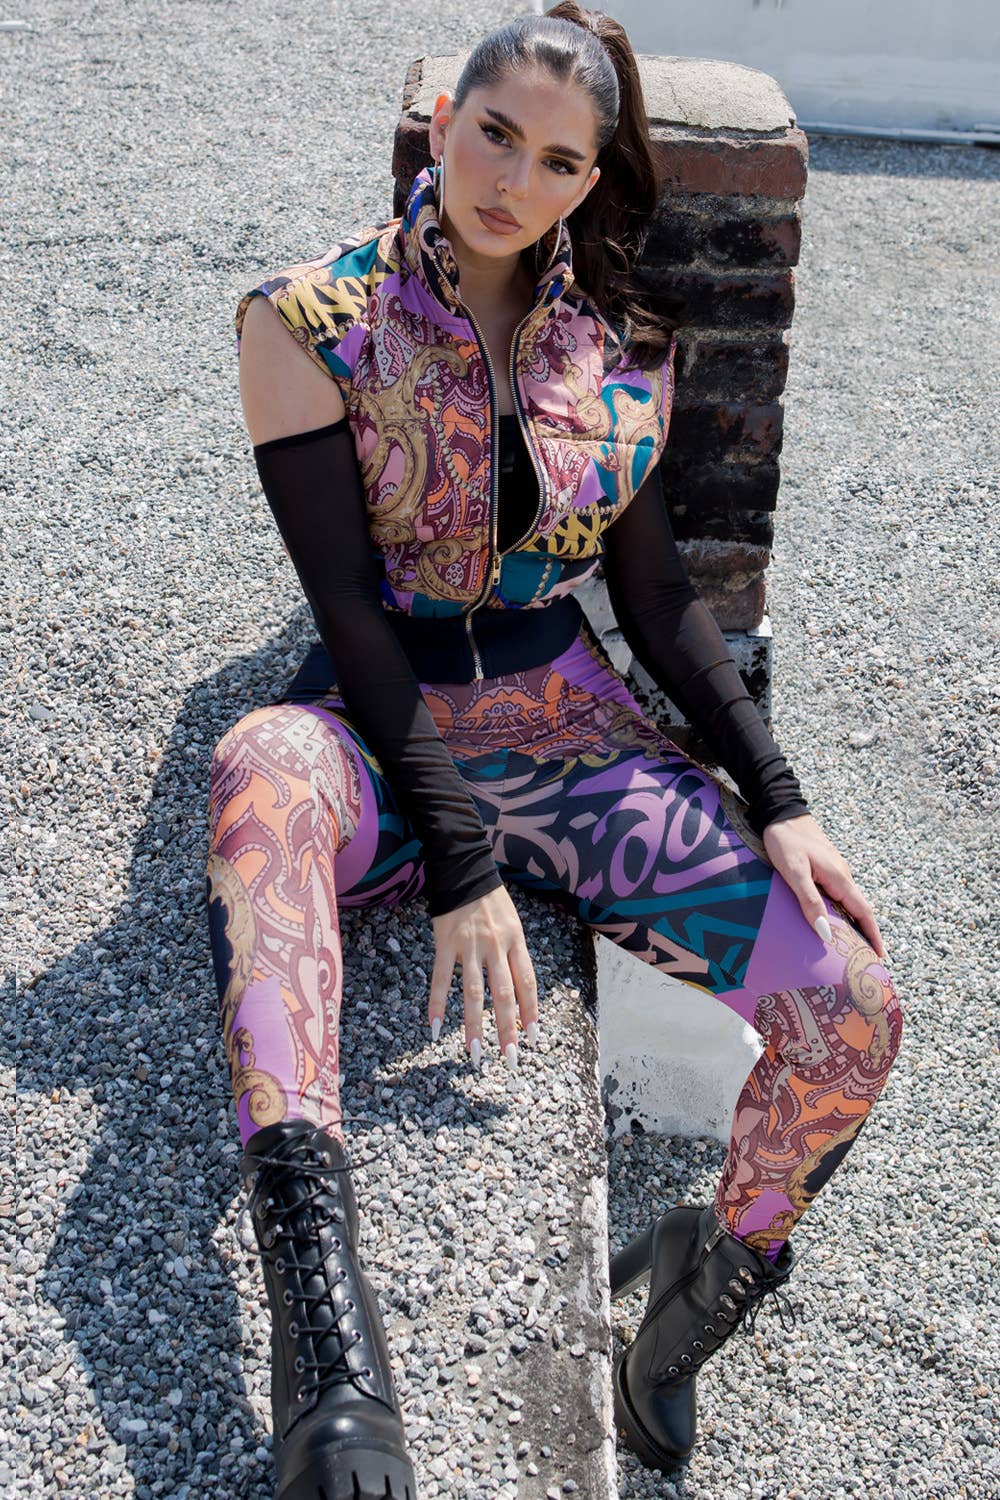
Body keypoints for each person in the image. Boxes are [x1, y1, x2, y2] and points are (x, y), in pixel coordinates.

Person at [205, 5, 904, 1494]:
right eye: (495, 134)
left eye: (558, 160)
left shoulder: (620, 347)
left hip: (579, 748)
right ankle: (326, 1347)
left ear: (592, 180)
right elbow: (347, 607)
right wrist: (462, 862)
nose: (514, 180)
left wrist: (780, 797)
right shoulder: (310, 323)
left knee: (854, 1006)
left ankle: (694, 1302)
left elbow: (657, 601)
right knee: (259, 769)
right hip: (379, 740)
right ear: (445, 124)